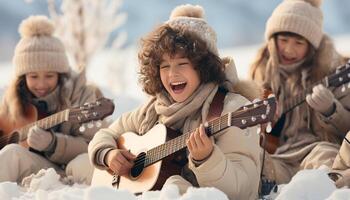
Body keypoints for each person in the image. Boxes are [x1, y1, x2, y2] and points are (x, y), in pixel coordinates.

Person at [89, 4, 261, 200]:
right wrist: (108, 155)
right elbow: (107, 133)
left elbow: (243, 191)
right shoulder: (153, 109)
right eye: (164, 66)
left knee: (174, 186)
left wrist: (207, 159)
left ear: (204, 68)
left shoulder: (230, 110)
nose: (172, 74)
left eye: (182, 64)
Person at [249, 0, 350, 184]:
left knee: (327, 162)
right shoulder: (260, 73)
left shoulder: (333, 72)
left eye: (298, 42)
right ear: (273, 40)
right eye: (284, 40)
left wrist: (332, 110)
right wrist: (260, 121)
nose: (289, 49)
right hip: (274, 155)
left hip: (315, 150)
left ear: (312, 46)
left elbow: (347, 134)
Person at [0, 15, 103, 184]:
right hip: (36, 165)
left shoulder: (82, 94)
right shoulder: (13, 98)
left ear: (60, 74)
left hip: (70, 167)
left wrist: (54, 143)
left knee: (86, 164)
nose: (41, 84)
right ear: (22, 77)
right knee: (11, 152)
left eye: (49, 76)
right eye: (33, 76)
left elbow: (94, 146)